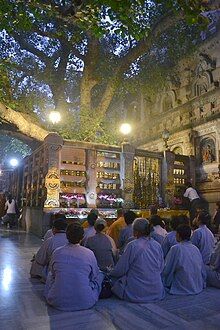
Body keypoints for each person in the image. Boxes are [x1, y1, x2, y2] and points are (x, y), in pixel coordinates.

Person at [44, 222, 104, 311]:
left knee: (49, 275)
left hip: (57, 300)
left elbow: (53, 273)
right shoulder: (89, 253)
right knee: (100, 275)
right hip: (85, 301)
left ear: (66, 236)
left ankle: (56, 291)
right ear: (82, 237)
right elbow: (94, 275)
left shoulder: (57, 252)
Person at [109, 218, 165, 303]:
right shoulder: (157, 245)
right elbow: (161, 267)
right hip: (156, 290)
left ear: (136, 231)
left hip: (136, 292)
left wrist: (110, 272)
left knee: (113, 280)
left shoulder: (132, 245)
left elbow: (121, 269)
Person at [162, 224, 206, 295]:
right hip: (197, 285)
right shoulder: (195, 248)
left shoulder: (176, 248)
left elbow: (167, 269)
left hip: (183, 285)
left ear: (178, 235)